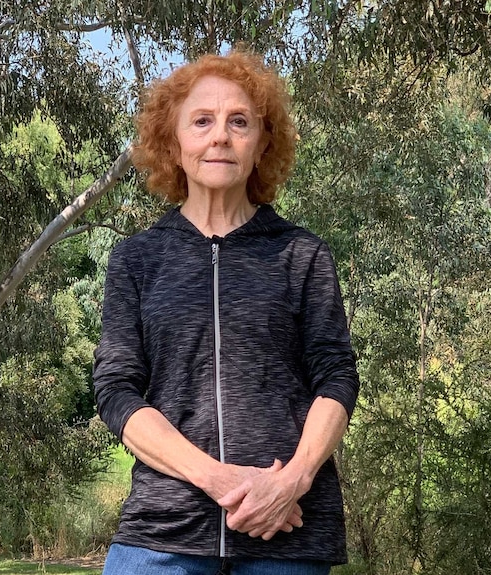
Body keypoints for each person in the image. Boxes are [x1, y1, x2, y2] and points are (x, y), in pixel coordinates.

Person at [93, 48, 360, 575]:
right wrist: (218, 480)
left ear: (262, 143)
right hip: (163, 532)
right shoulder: (137, 259)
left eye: (239, 121)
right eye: (202, 121)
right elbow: (117, 390)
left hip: (286, 529)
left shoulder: (302, 254)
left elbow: (336, 377)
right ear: (173, 141)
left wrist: (291, 482)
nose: (220, 135)